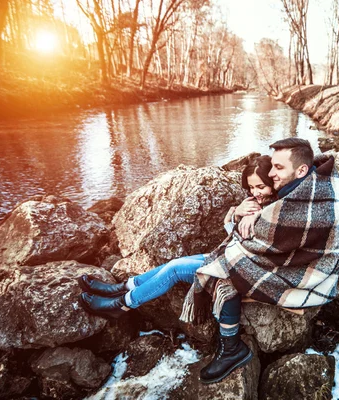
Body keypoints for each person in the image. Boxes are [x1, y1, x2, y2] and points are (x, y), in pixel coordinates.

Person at [78, 155, 276, 383]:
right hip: (228, 256)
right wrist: (237, 211)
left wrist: (247, 216)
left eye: (260, 186)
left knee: (175, 269)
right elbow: (231, 232)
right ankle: (122, 288)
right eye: (251, 187)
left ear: (273, 180)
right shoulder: (256, 202)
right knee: (174, 264)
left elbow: (247, 240)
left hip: (239, 266)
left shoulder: (274, 210)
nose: (255, 191)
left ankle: (121, 304)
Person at [179, 138, 339, 384]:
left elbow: (252, 243)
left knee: (220, 274)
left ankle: (232, 349)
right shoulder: (299, 190)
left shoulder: (309, 202)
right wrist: (248, 214)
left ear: (301, 170)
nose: (271, 173)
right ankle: (122, 295)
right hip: (279, 265)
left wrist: (245, 219)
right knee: (201, 267)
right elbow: (259, 238)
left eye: (278, 168)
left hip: (306, 279)